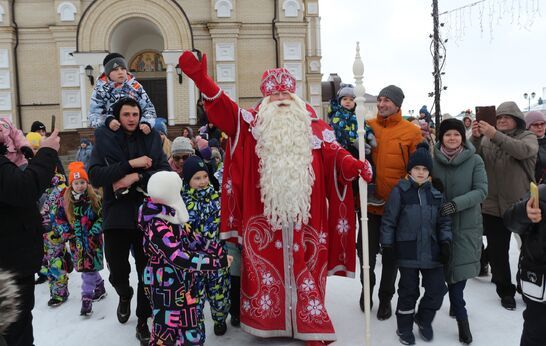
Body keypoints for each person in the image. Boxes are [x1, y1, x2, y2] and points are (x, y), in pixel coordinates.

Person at [179, 51, 373, 344]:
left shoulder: (313, 125)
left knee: (307, 268)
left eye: (286, 91)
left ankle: (310, 325)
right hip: (265, 220)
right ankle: (269, 321)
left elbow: (335, 155)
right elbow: (225, 111)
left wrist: (354, 165)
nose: (281, 97)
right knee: (267, 273)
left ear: (295, 96)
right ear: (265, 98)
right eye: (275, 93)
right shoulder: (252, 123)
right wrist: (201, 80)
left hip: (306, 218)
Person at [88, 97, 170, 345]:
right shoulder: (105, 138)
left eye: (135, 114)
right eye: (126, 114)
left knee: (147, 271)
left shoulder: (151, 137)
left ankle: (144, 320)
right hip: (117, 215)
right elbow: (95, 175)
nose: (132, 119)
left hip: (148, 214)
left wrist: (134, 177)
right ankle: (124, 294)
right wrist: (130, 165)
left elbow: (163, 171)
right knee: (117, 266)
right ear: (118, 116)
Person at [139, 171, 228, 345]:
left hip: (185, 284)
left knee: (191, 328)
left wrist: (217, 250)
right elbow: (178, 256)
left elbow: (193, 238)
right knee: (167, 332)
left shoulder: (171, 216)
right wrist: (216, 262)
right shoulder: (157, 225)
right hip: (165, 288)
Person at [359, 85, 423, 320]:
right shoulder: (367, 127)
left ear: (398, 105)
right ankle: (367, 290)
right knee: (365, 253)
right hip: (369, 205)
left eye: (387, 101)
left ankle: (386, 297)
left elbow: (422, 168)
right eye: (381, 99)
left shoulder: (411, 132)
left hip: (398, 210)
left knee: (391, 256)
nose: (382, 104)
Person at [380, 142, 452, 345]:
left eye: (424, 169)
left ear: (429, 171)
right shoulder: (400, 192)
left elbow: (444, 221)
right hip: (407, 251)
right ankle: (404, 327)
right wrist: (387, 246)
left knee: (437, 289)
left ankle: (424, 318)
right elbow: (389, 222)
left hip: (432, 251)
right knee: (408, 291)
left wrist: (445, 242)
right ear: (410, 170)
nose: (420, 173)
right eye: (416, 168)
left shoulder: (437, 194)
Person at [470, 101, 538, 310]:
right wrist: (474, 137)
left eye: (507, 117)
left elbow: (522, 151)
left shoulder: (528, 137)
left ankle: (526, 285)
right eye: (498, 118)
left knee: (529, 251)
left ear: (517, 119)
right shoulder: (488, 139)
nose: (502, 121)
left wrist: (494, 135)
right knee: (499, 252)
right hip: (491, 204)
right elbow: (470, 156)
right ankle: (505, 290)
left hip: (521, 205)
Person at [0, 128, 61, 345]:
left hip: (13, 262)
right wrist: (47, 152)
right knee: (16, 331)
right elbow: (23, 188)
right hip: (9, 267)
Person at [432, 118, 488, 344]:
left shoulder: (475, 160)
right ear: (441, 138)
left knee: (458, 280)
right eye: (447, 135)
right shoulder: (432, 160)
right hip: (438, 227)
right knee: (439, 276)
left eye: (456, 134)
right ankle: (439, 311)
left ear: (462, 137)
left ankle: (462, 322)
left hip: (466, 225)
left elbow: (482, 191)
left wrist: (456, 204)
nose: (452, 138)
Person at [182, 156, 231, 336]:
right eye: (197, 178)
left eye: (205, 177)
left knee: (219, 293)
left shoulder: (217, 198)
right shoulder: (182, 202)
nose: (202, 182)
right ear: (188, 180)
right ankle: (195, 324)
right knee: (196, 297)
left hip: (217, 257)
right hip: (194, 261)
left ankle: (220, 318)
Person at [54, 162, 105, 316]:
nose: (80, 186)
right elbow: (59, 219)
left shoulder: (94, 198)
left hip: (92, 243)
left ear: (86, 183)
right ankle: (100, 286)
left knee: (88, 271)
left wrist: (95, 230)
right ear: (71, 184)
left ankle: (86, 299)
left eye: (82, 182)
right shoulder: (66, 201)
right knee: (87, 269)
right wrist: (67, 233)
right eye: (76, 183)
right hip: (77, 243)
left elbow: (102, 217)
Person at [503, 185, 546, 346]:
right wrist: (524, 212)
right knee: (535, 334)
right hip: (540, 288)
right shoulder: (541, 194)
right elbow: (509, 220)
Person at [88, 53, 156, 131]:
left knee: (156, 131)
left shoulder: (135, 86)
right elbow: (93, 116)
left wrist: (146, 123)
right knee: (100, 133)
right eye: (115, 69)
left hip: (135, 129)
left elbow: (149, 108)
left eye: (123, 69)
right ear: (108, 73)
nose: (120, 72)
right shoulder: (100, 90)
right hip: (112, 132)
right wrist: (108, 122)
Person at [40, 171, 72, 307]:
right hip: (36, 232)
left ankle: (59, 293)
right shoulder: (32, 184)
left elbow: (67, 208)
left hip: (54, 232)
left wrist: (63, 229)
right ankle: (67, 258)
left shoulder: (60, 187)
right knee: (42, 265)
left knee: (55, 262)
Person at [525, 111, 546, 183]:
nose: (540, 127)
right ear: (528, 127)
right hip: (534, 187)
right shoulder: (524, 143)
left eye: (542, 123)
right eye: (535, 124)